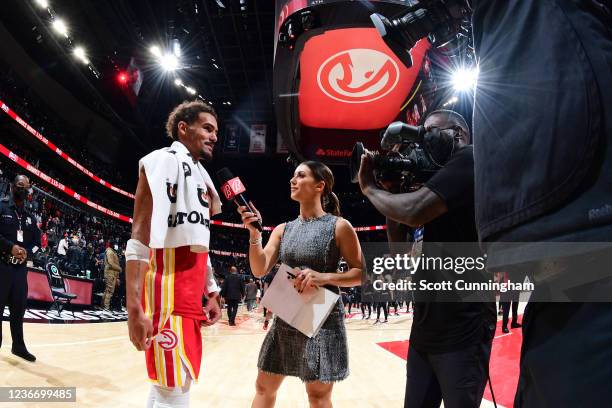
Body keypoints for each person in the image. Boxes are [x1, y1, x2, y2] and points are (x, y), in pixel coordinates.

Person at [358, 110, 496, 407]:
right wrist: (391, 192)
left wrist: (370, 189)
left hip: (463, 323)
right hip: (426, 323)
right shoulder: (437, 180)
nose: (423, 140)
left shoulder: (471, 159)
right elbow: (399, 250)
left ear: (457, 133)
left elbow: (413, 211)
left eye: (429, 132)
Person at [238, 161, 364, 408]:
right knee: (263, 387)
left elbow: (360, 273)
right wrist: (255, 236)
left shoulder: (339, 226)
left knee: (317, 396)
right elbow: (259, 268)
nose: (292, 180)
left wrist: (323, 277)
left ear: (320, 185)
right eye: (293, 176)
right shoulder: (283, 229)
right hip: (286, 316)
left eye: (300, 175)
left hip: (322, 319)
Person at [125, 100, 223, 407]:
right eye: (207, 128)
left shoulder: (201, 177)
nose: (214, 136)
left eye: (216, 131)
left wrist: (211, 290)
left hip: (188, 298)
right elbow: (139, 237)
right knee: (174, 387)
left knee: (168, 385)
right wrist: (133, 309)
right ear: (183, 127)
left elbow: (199, 241)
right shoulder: (158, 162)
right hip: (166, 298)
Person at [0, 175, 41, 362]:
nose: (23, 190)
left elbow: (37, 243)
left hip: (20, 270)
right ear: (12, 186)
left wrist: (28, 253)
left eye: (26, 188)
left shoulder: (30, 218)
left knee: (19, 309)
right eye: (20, 186)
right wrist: (11, 247)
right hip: (2, 265)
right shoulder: (2, 207)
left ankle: (18, 346)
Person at [102, 243, 122, 310]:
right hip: (110, 274)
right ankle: (106, 307)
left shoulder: (112, 252)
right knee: (110, 291)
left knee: (107, 290)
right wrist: (119, 268)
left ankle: (103, 305)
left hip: (112, 274)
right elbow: (111, 263)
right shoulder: (109, 251)